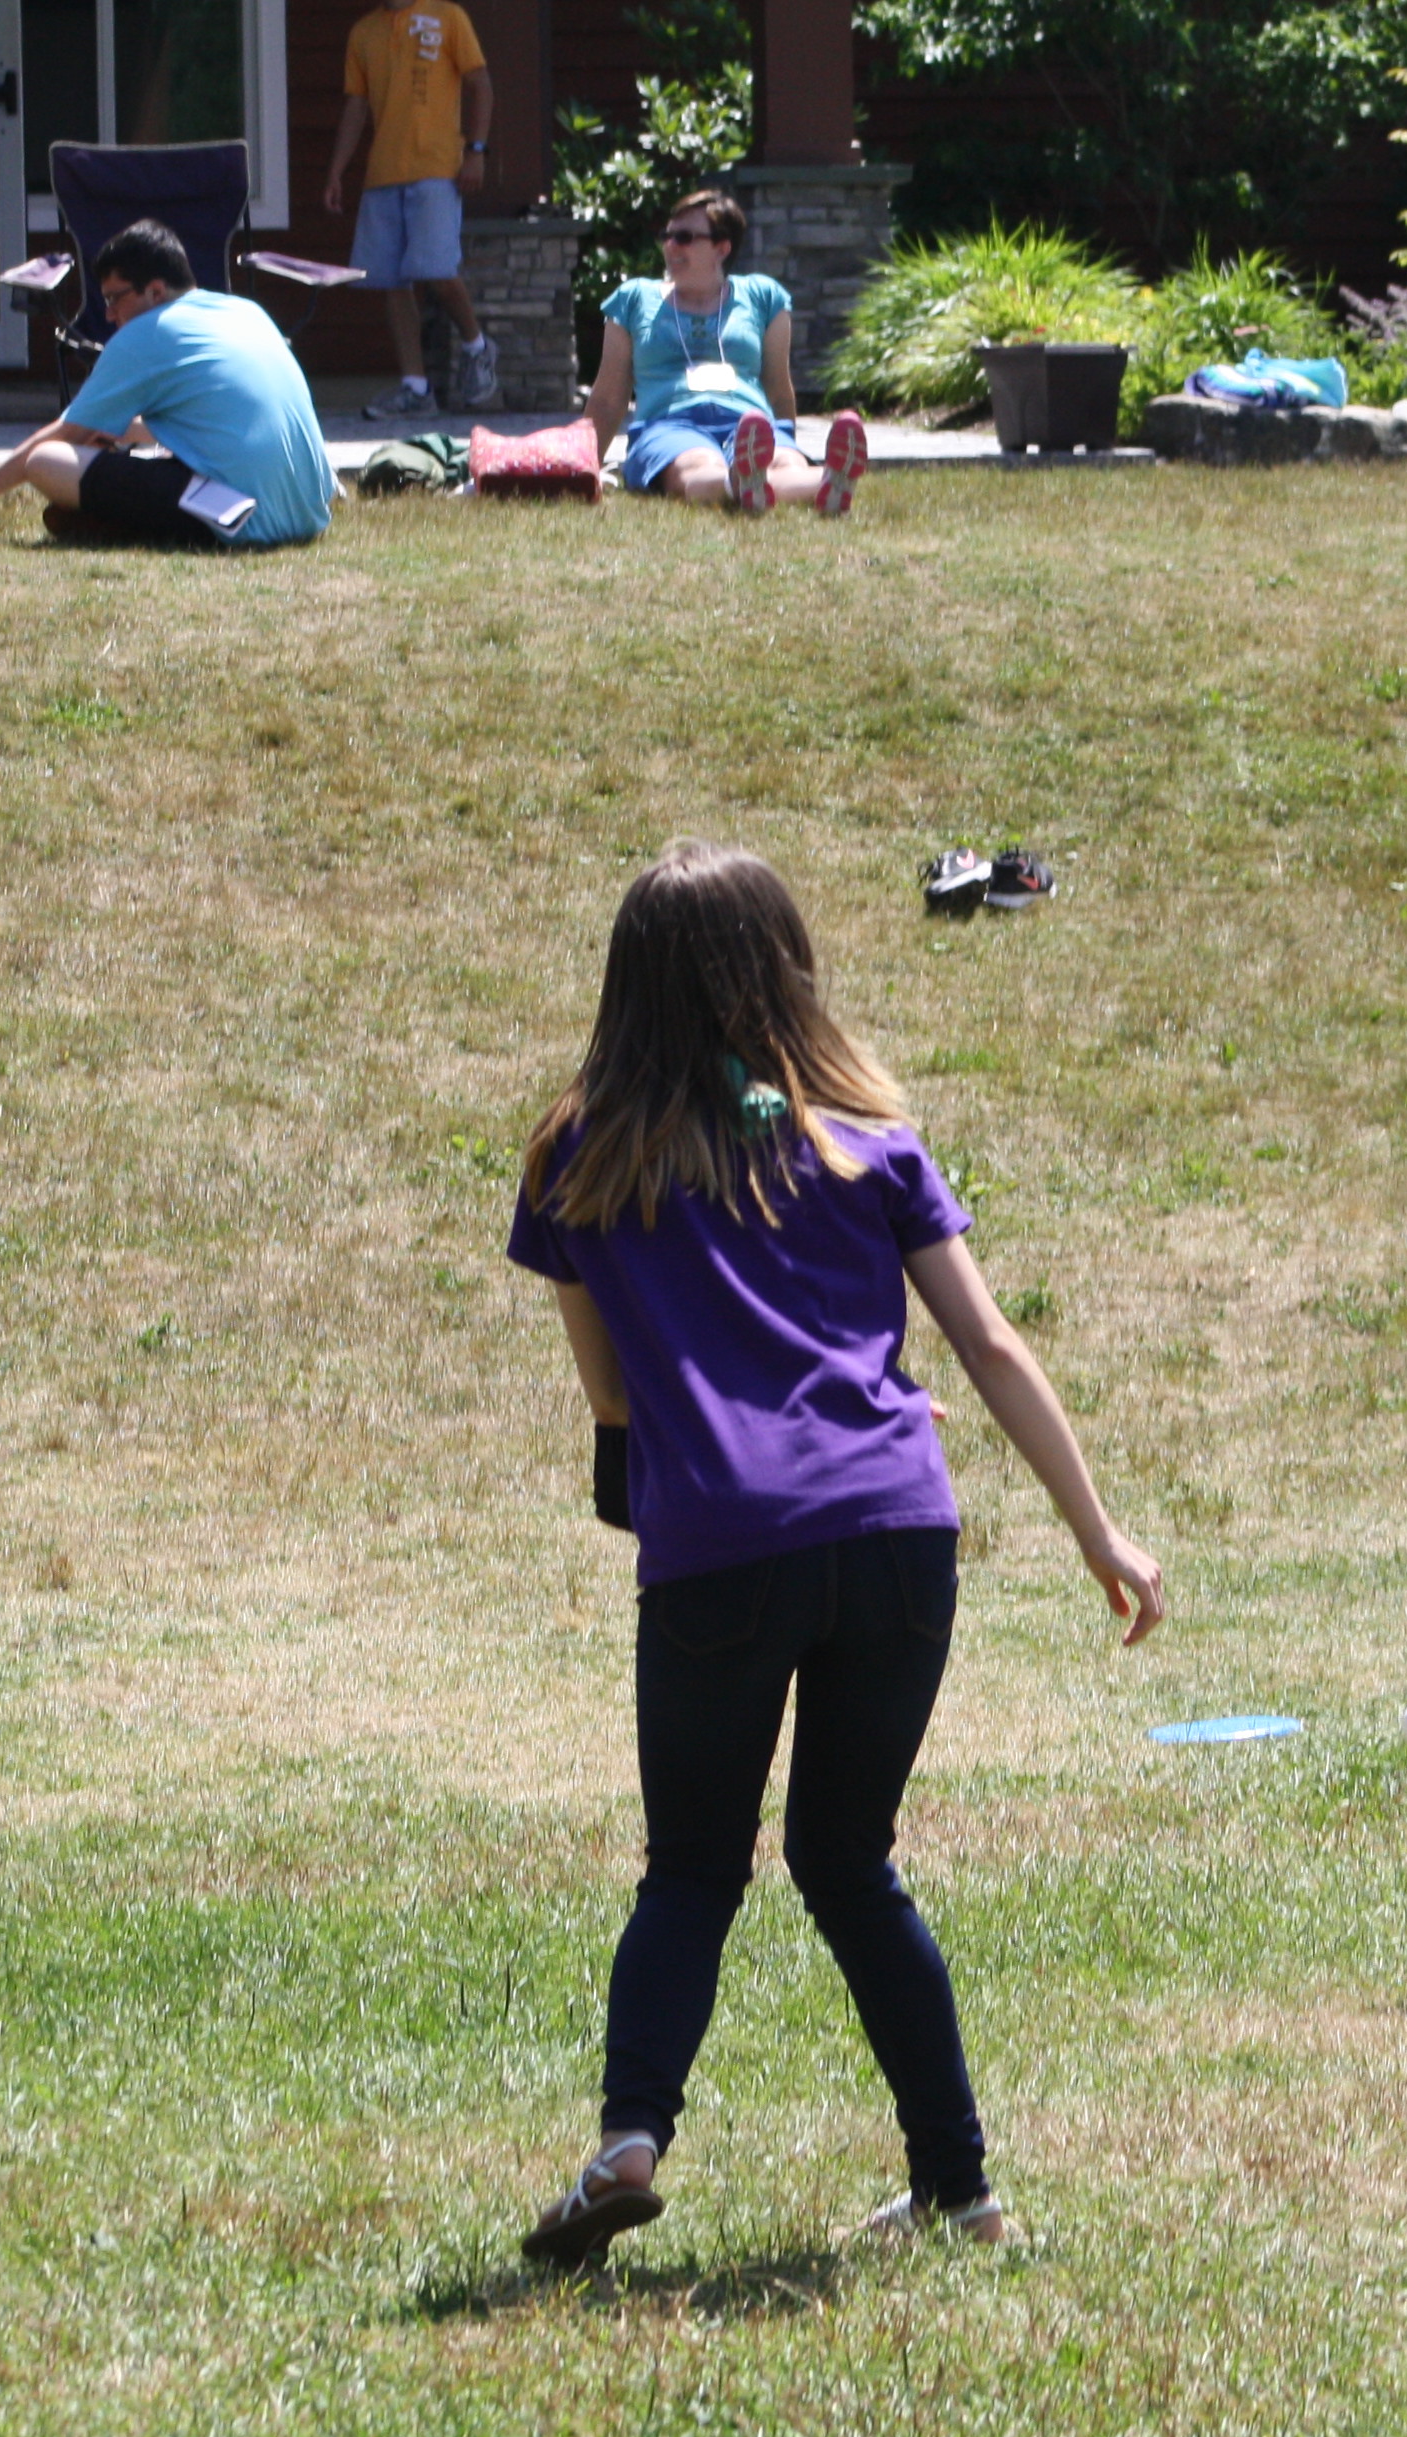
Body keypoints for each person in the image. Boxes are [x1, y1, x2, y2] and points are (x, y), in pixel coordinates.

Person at [504, 840, 1165, 2268]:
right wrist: (1097, 1530)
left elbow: (612, 1397)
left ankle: (630, 2142)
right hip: (896, 1532)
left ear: (628, 986)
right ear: (785, 969)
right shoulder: (869, 1139)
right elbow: (989, 1344)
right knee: (848, 1860)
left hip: (717, 1549)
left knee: (694, 1868)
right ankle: (961, 2193)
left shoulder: (577, 1155)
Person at [0, 220, 333, 547]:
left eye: (114, 298)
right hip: (307, 515)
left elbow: (64, 434)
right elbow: (218, 421)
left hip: (244, 523)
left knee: (45, 460)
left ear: (155, 291)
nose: (109, 314)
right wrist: (121, 432)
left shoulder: (145, 333)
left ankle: (119, 525)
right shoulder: (246, 311)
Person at [585, 190, 865, 517]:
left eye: (685, 237)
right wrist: (585, 466)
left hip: (751, 424)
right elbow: (607, 398)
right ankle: (745, 482)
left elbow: (778, 386)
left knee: (785, 460)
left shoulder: (763, 296)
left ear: (722, 248)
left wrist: (784, 437)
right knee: (696, 463)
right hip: (669, 425)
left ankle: (831, 480)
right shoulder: (633, 299)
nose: (671, 246)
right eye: (667, 236)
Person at [319, 0, 497, 417]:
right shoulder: (363, 32)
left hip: (437, 168)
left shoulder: (447, 16)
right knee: (392, 280)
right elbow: (356, 105)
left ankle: (478, 347)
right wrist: (336, 171)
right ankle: (415, 388)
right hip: (382, 173)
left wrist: (476, 151)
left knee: (437, 270)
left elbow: (481, 84)